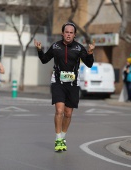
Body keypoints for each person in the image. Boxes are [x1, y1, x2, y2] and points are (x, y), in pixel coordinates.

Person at [34, 22, 95, 152]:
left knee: (68, 113)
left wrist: (90, 53)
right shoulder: (56, 46)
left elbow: (89, 64)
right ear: (62, 33)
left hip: (73, 84)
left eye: (71, 32)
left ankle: (63, 136)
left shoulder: (79, 48)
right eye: (66, 32)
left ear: (74, 35)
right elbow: (45, 59)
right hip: (58, 82)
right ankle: (58, 139)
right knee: (59, 111)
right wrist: (39, 50)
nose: (68, 34)